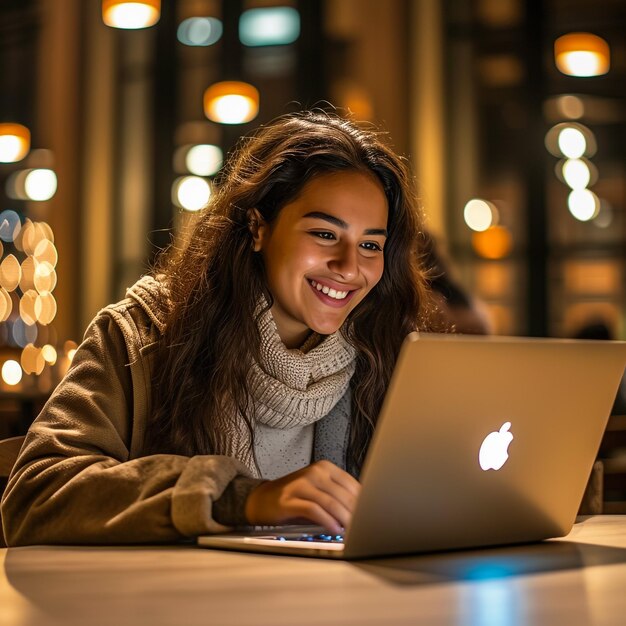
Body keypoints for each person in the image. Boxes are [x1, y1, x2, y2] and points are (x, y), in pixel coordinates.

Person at [1, 111, 435, 545]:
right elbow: (35, 495)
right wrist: (239, 498)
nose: (349, 267)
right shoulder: (142, 334)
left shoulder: (386, 356)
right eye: (324, 234)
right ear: (258, 227)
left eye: (370, 245)